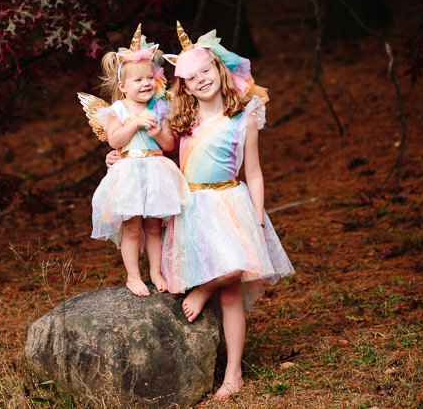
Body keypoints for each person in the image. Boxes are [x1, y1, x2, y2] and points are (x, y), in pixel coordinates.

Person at [162, 22, 295, 399]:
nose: (201, 79)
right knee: (217, 285)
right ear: (185, 87)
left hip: (230, 203)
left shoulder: (244, 117)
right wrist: (117, 157)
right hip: (192, 207)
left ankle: (233, 372)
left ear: (220, 70)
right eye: (191, 77)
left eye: (206, 70)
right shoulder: (183, 121)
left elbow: (254, 172)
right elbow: (152, 151)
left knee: (233, 274)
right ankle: (212, 362)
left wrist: (258, 219)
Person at [86, 24, 191, 297]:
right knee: (132, 228)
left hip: (156, 171)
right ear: (122, 86)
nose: (145, 83)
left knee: (154, 227)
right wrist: (134, 124)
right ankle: (133, 276)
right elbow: (115, 140)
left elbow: (169, 145)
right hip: (129, 174)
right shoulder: (118, 109)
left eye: (149, 78)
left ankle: (156, 272)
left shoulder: (160, 107)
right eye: (137, 80)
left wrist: (157, 133)